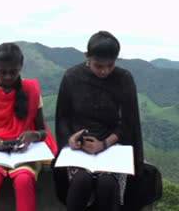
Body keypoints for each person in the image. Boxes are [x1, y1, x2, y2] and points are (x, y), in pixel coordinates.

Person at [53, 31, 145, 211]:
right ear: (87, 56)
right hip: (79, 149)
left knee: (107, 184)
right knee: (80, 182)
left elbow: (129, 122)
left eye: (110, 65)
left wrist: (104, 144)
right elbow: (62, 117)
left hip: (113, 147)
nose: (104, 71)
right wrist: (70, 139)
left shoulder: (123, 78)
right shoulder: (72, 76)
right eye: (98, 65)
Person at [0, 42, 58, 211]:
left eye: (13, 72)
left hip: (23, 154)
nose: (8, 76)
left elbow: (42, 130)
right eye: (2, 72)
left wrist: (33, 135)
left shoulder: (31, 90)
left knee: (23, 179)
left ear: (21, 67)